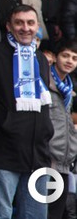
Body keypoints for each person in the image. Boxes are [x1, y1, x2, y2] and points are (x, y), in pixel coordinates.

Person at [0, 5, 53, 219]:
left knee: (36, 215)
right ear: (9, 26)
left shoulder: (41, 59)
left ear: (37, 26)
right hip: (3, 151)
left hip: (38, 153)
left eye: (30, 23)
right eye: (19, 23)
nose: (25, 28)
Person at [47, 42, 77, 218]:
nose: (69, 61)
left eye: (74, 58)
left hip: (64, 164)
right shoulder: (44, 83)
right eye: (65, 56)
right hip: (46, 162)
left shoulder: (69, 89)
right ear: (55, 57)